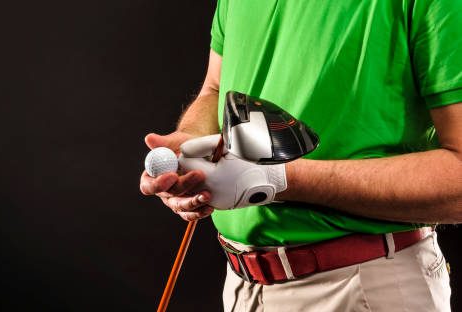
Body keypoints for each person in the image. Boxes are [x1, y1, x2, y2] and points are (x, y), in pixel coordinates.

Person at [140, 0, 462, 311]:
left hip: (362, 287)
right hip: (242, 287)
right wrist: (190, 143)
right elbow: (214, 88)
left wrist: (276, 179)